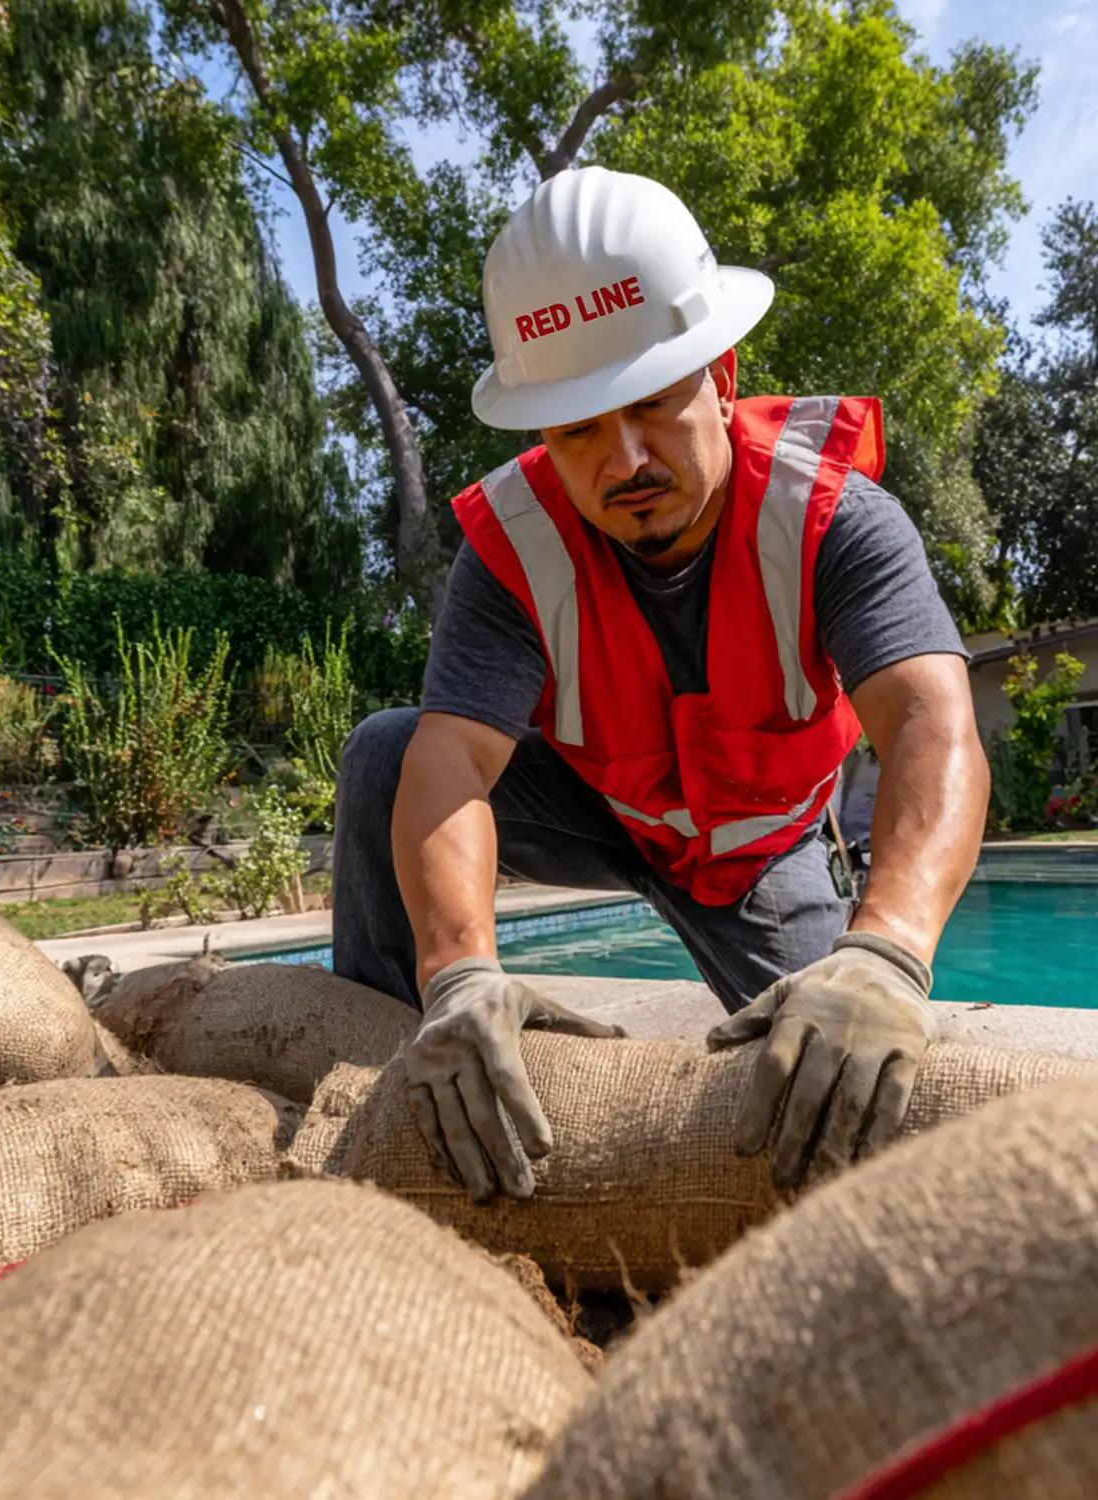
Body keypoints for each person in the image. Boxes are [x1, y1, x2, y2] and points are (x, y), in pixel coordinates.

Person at [332, 167, 990, 1203]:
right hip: (603, 808)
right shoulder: (510, 549)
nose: (623, 457)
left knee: (840, 1111)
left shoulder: (836, 521)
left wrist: (890, 951)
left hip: (758, 855)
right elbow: (453, 759)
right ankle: (399, 1085)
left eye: (650, 405)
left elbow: (929, 723)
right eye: (580, 428)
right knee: (384, 752)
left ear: (720, 377)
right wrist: (457, 973)